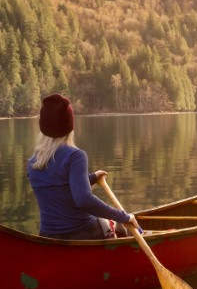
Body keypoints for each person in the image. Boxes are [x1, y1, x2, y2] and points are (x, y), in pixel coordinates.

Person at [27, 93, 139, 240]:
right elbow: (84, 199)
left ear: (43, 127)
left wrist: (92, 177)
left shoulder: (33, 163)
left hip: (48, 236)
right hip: (83, 234)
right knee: (118, 225)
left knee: (112, 221)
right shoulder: (75, 156)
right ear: (69, 126)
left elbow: (60, 185)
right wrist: (123, 217)